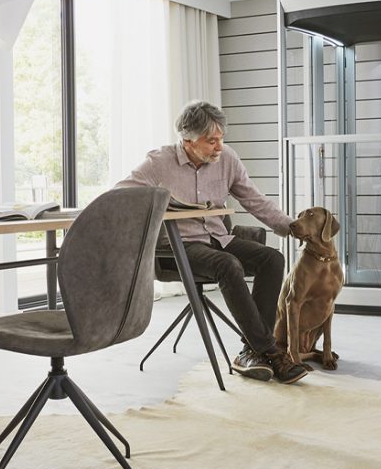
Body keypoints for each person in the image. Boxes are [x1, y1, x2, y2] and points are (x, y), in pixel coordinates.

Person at [117, 100, 308, 384]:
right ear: (188, 141)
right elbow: (121, 196)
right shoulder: (159, 163)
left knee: (272, 259)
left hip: (218, 238)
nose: (219, 147)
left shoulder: (227, 158)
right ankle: (269, 351)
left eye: (221, 139)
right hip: (177, 246)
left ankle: (249, 352)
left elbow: (254, 200)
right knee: (228, 265)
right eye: (211, 141)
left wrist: (290, 226)